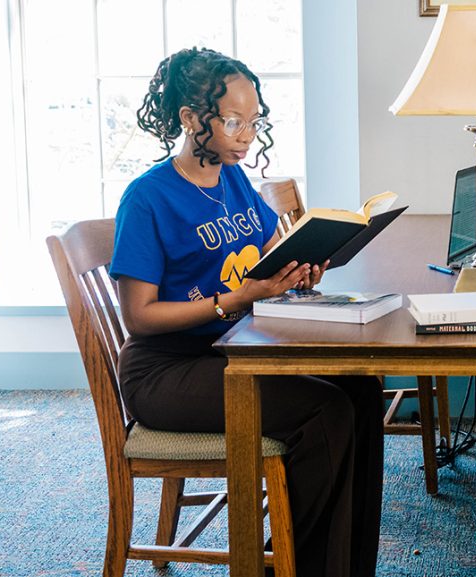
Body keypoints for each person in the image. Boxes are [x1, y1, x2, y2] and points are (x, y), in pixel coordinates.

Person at [110, 47, 383, 577]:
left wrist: (297, 271)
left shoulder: (232, 178)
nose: (246, 135)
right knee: (325, 413)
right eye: (233, 121)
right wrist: (233, 301)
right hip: (167, 370)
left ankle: (348, 565)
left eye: (253, 121)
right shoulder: (147, 198)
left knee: (362, 390)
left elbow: (263, 258)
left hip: (235, 352)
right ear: (190, 119)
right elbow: (138, 318)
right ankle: (296, 568)